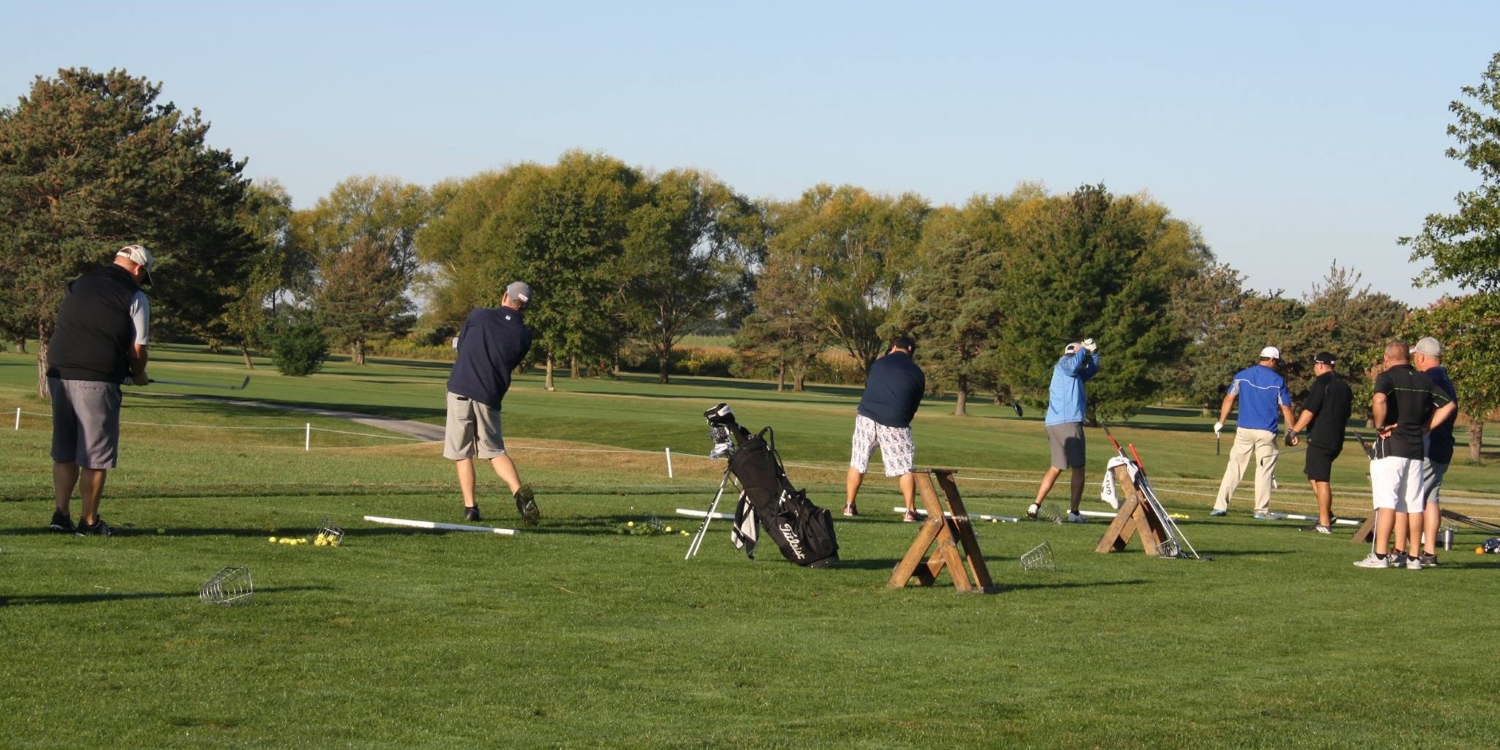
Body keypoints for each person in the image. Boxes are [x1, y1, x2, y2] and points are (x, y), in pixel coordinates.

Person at [46, 245, 155, 536]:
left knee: (65, 451)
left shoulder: (79, 283)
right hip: (97, 378)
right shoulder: (135, 295)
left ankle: (60, 515)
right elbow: (138, 348)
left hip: (59, 372)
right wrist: (139, 374)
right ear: (138, 270)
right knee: (95, 456)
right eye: (143, 277)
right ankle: (89, 522)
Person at [1354, 341, 1456, 569]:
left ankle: (1380, 556)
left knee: (1387, 501)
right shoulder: (1423, 378)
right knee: (1414, 503)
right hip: (1416, 449)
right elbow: (1448, 406)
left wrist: (1380, 426)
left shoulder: (1387, 377)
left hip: (1392, 447)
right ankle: (1414, 558)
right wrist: (1426, 427)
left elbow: (1379, 399)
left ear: (1388, 358)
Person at [444, 281, 538, 526]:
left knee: (462, 452)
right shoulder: (524, 335)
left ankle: (471, 508)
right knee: (494, 451)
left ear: (505, 295)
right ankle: (520, 495)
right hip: (490, 394)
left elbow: (462, 347)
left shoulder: (479, 315)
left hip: (461, 388)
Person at [844, 336, 925, 521]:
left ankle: (849, 505)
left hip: (866, 416)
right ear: (911, 352)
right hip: (895, 421)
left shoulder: (879, 363)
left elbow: (869, 387)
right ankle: (910, 511)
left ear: (894, 348)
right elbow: (913, 403)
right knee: (904, 468)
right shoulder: (917, 372)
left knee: (858, 461)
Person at [1211, 346, 1294, 519]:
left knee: (1234, 467)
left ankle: (1220, 506)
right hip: (1266, 431)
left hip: (1244, 429)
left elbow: (1229, 398)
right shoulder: (1278, 381)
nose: (1276, 365)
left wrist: (1221, 422)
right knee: (1264, 470)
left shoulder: (1242, 376)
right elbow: (1286, 409)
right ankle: (1261, 510)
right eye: (1276, 362)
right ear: (1271, 360)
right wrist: (1291, 432)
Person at [1027, 339, 1100, 524]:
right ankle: (1074, 512)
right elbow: (1074, 363)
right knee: (1078, 467)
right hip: (1068, 423)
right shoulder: (1065, 363)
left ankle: (1035, 505)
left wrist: (1094, 353)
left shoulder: (1074, 374)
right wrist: (1083, 348)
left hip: (1055, 423)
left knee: (1057, 466)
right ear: (1073, 352)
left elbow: (1092, 369)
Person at [1288, 352, 1353, 534]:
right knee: (1312, 474)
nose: (1314, 369)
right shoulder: (1344, 386)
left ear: (1320, 365)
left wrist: (1294, 431)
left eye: (1315, 365)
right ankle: (1327, 512)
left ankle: (1324, 523)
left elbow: (1309, 411)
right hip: (1336, 438)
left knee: (1321, 478)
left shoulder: (1321, 383)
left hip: (1321, 438)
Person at [1411, 336, 1457, 567]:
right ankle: (1429, 551)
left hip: (1428, 447)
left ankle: (1412, 551)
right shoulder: (1445, 377)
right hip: (1444, 447)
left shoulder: (1428, 379)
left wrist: (1425, 427)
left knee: (1415, 499)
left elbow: (1447, 407)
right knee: (1431, 499)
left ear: (1421, 357)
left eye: (1415, 357)